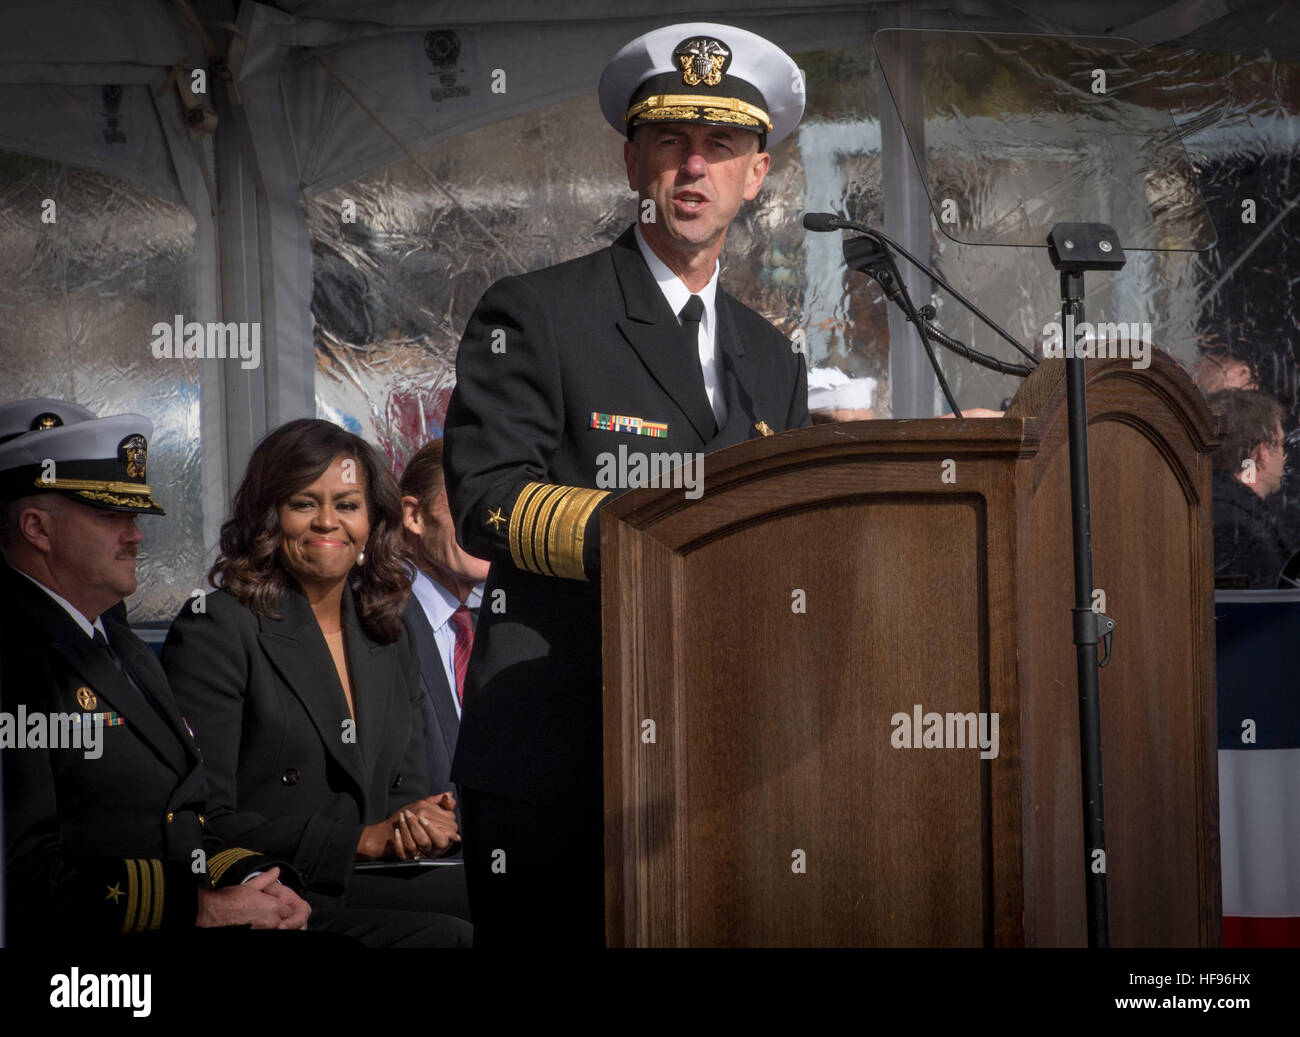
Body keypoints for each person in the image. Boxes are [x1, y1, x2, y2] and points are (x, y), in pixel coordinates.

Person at [442, 22, 810, 946]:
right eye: (669, 143)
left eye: (721, 145)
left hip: (721, 756)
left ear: (756, 173)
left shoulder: (773, 357)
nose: (694, 167)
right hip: (561, 756)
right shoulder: (538, 311)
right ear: (630, 161)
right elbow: (485, 498)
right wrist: (664, 541)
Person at [0, 399, 311, 943]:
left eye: (135, 514)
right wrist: (202, 907)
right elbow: (25, 879)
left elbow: (179, 817)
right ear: (36, 528)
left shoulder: (111, 636)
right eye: (111, 515)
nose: (136, 535)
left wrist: (250, 878)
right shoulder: (17, 658)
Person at [161, 418, 471, 942]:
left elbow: (409, 791)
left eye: (347, 505)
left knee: (537, 894)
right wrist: (360, 840)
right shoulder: (218, 625)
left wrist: (424, 822)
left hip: (373, 877)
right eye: (305, 503)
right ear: (268, 515)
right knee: (451, 934)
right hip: (278, 889)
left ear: (374, 520)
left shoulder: (387, 628)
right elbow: (203, 819)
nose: (328, 522)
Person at [397, 438, 490, 824]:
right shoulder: (369, 618)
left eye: (497, 504)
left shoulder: (506, 621)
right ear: (414, 516)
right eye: (467, 502)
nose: (488, 520)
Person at [1208, 388, 1292, 588]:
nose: (1284, 456)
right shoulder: (1240, 528)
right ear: (1261, 453)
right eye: (1281, 444)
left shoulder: (1208, 504)